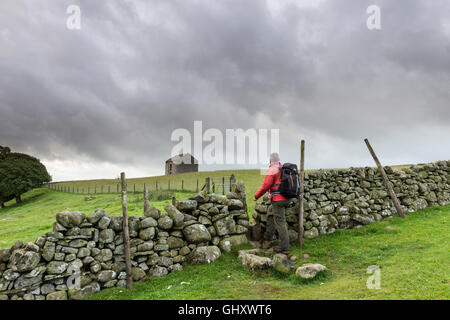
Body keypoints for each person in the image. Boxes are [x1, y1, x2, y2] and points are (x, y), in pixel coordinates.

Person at [253, 152, 290, 254]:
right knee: (270, 211)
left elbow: (265, 186)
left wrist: (256, 196)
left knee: (280, 222)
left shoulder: (273, 169)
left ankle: (284, 248)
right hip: (287, 198)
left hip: (279, 199)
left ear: (270, 160)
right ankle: (269, 235)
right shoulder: (282, 168)